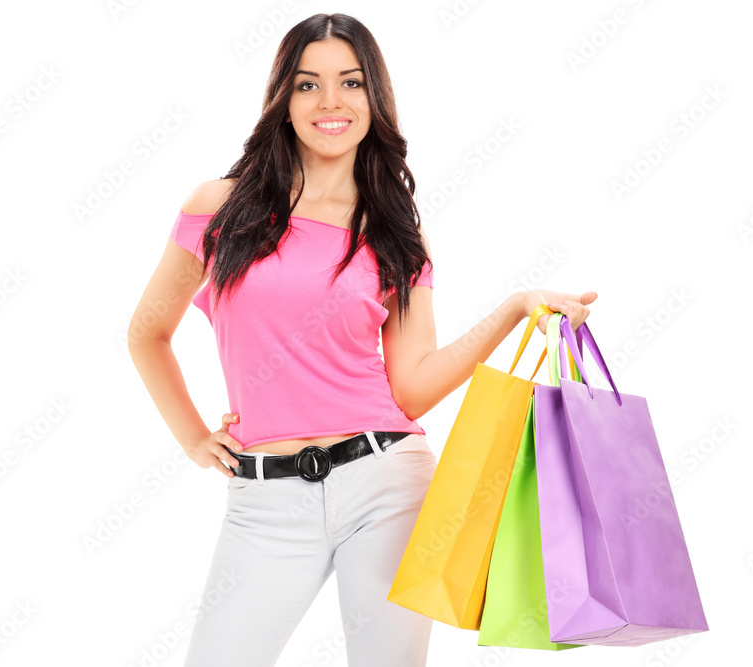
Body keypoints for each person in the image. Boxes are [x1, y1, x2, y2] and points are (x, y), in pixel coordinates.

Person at [127, 13, 595, 667]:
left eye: (350, 83)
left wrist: (513, 309)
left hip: (386, 485)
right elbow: (147, 333)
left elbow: (412, 386)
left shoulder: (395, 234)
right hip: (264, 498)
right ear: (282, 100)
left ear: (374, 97)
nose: (331, 103)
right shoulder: (217, 208)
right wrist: (194, 438)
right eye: (307, 85)